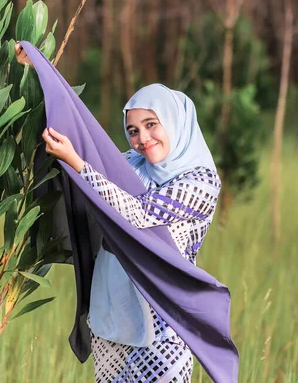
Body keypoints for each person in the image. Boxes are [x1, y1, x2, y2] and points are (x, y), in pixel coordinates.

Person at [16, 44, 222, 382]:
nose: (143, 138)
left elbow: (139, 214)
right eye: (133, 130)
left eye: (152, 124)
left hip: (165, 319)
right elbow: (81, 136)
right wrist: (41, 74)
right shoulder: (129, 166)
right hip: (112, 313)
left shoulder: (200, 181)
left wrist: (79, 165)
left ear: (174, 120)